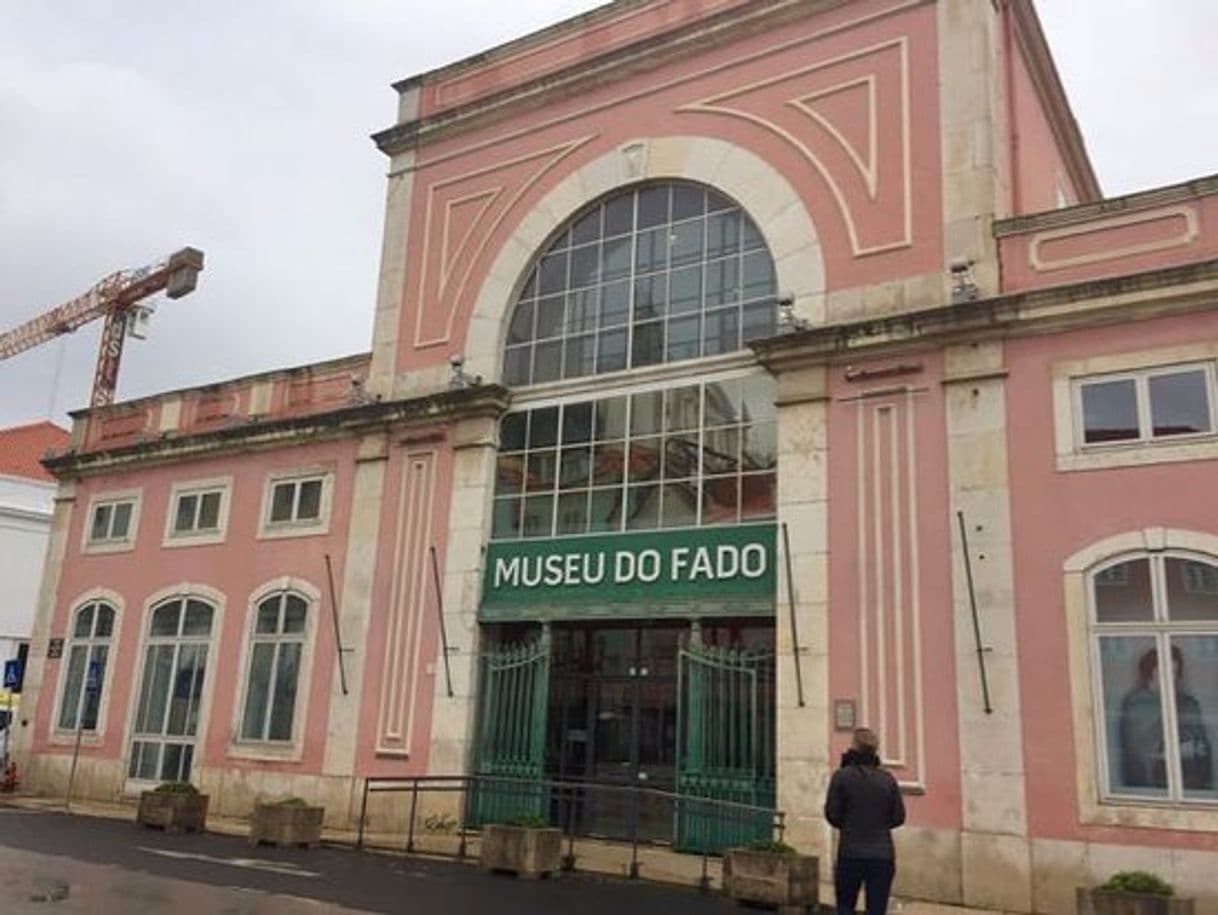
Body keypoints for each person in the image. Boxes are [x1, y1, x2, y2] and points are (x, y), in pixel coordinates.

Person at [824, 727, 906, 915]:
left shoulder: (842, 776)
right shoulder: (887, 780)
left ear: (853, 748)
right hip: (882, 854)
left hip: (851, 851)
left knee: (845, 906)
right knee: (877, 909)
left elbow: (832, 814)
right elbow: (899, 817)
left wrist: (849, 824)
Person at [1119, 645, 1212, 791]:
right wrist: (1178, 749)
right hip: (1154, 786)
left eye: (1174, 672)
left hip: (1190, 784)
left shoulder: (1188, 703)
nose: (1170, 677)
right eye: (1164, 672)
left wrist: (1195, 748)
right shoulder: (1137, 704)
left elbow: (1202, 745)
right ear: (1150, 672)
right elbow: (1139, 751)